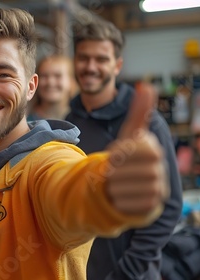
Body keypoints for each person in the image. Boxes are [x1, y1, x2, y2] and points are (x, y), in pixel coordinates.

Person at [0, 6, 169, 280]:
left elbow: (72, 190)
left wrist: (109, 189)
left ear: (31, 86)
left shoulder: (45, 168)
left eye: (3, 74)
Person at [65, 19, 182, 280]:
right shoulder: (67, 126)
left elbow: (170, 207)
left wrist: (127, 271)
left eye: (101, 59)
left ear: (117, 65)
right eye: (83, 58)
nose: (91, 67)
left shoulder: (147, 123)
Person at [28, 55, 76, 121]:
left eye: (57, 76)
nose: (50, 82)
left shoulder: (81, 120)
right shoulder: (25, 122)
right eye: (44, 76)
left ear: (71, 81)